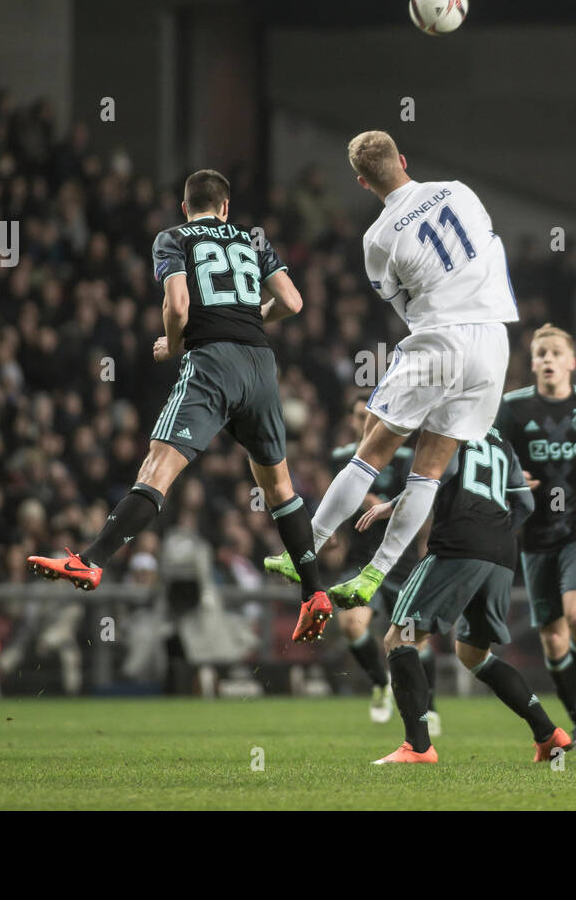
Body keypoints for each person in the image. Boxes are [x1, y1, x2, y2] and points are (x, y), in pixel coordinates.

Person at [29, 170, 332, 644]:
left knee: (158, 466)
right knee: (279, 487)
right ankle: (314, 592)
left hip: (212, 361)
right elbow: (292, 301)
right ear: (226, 208)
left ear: (184, 206)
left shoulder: (173, 238)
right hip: (261, 366)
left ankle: (90, 561)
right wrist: (253, 318)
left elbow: (177, 306)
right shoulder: (252, 238)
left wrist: (173, 345)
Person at [265, 131, 518, 612]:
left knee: (370, 452)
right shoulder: (461, 191)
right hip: (493, 342)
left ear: (362, 182)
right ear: (403, 158)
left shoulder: (377, 238)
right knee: (427, 473)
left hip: (440, 337)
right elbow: (488, 249)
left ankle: (307, 549)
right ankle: (374, 575)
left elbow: (401, 303)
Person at [356, 428, 571, 765]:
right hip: (502, 553)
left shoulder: (450, 425)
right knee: (474, 654)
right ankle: (548, 734)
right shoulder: (503, 440)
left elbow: (439, 476)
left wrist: (392, 506)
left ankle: (418, 746)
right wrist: (493, 531)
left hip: (459, 545)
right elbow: (526, 503)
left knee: (400, 639)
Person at [495, 324, 576, 749]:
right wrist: (512, 479)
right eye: (541, 354)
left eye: (555, 352)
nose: (548, 359)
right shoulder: (512, 408)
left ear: (572, 361)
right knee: (553, 638)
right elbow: (491, 455)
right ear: (532, 363)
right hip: (535, 535)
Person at [327, 396, 437, 728]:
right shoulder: (342, 458)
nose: (367, 421)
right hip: (361, 561)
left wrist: (425, 552)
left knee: (415, 640)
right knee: (351, 625)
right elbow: (336, 502)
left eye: (372, 415)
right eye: (361, 415)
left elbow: (423, 505)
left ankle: (428, 707)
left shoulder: (405, 457)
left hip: (401, 564)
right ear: (352, 420)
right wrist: (330, 532)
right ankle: (379, 684)